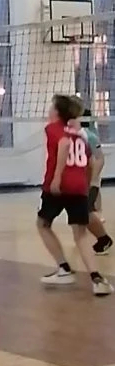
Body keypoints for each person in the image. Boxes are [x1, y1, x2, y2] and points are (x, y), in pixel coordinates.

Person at [38, 94, 112, 297]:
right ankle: (97, 279)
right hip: (79, 187)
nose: (48, 110)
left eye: (51, 107)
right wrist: (85, 184)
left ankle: (64, 269)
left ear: (57, 112)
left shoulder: (54, 129)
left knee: (42, 224)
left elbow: (63, 145)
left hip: (59, 186)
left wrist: (57, 178)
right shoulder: (80, 135)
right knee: (80, 234)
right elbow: (90, 162)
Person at [81, 108, 112, 257]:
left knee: (86, 207)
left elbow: (100, 158)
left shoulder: (90, 135)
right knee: (80, 210)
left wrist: (93, 178)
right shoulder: (76, 134)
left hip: (90, 175)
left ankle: (102, 238)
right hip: (80, 178)